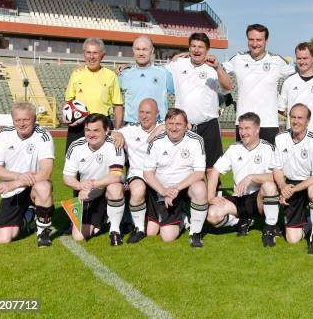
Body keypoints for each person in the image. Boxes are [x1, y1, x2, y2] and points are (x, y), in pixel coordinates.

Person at [206, 112, 281, 247]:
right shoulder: (234, 148)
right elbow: (215, 172)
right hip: (239, 200)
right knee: (212, 215)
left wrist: (251, 177)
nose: (243, 132)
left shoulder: (268, 149)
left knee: (269, 186)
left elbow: (276, 176)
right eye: (240, 128)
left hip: (258, 201)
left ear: (257, 129)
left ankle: (270, 228)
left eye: (247, 128)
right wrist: (211, 197)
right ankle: (240, 221)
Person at [0, 102, 54, 247]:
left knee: (43, 187)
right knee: (3, 239)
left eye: (26, 119)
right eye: (17, 120)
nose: (22, 124)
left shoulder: (43, 135)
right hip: (15, 190)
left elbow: (46, 172)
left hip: (34, 185)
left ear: (34, 118)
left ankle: (43, 233)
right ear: (13, 120)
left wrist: (15, 183)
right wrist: (20, 176)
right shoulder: (3, 135)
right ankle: (30, 216)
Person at [166, 32, 232, 176]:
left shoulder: (214, 68)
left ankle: (213, 197)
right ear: (189, 48)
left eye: (200, 47)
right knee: (183, 167)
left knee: (211, 168)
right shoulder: (177, 63)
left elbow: (228, 86)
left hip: (208, 124)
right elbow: (157, 74)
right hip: (184, 126)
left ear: (207, 50)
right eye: (193, 46)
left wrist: (218, 68)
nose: (196, 50)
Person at [143, 108, 208, 247]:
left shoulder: (196, 140)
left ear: (186, 126)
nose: (174, 128)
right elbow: (147, 173)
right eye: (170, 123)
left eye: (178, 124)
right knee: (152, 232)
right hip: (162, 189)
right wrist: (164, 191)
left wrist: (176, 188)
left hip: (184, 187)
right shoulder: (156, 141)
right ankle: (184, 218)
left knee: (200, 188)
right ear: (165, 125)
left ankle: (195, 233)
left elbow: (199, 173)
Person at [222, 24, 296, 145]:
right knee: (243, 163)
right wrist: (187, 57)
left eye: (259, 40)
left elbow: (300, 73)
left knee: (270, 163)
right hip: (244, 124)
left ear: (266, 40)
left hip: (268, 124)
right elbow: (217, 69)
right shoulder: (238, 59)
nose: (255, 44)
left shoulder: (276, 61)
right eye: (251, 39)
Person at [62, 114, 126, 245]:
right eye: (88, 130)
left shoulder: (114, 145)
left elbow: (116, 175)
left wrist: (91, 185)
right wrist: (80, 186)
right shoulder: (76, 146)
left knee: (115, 187)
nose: (91, 134)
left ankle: (115, 230)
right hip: (89, 194)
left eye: (96, 130)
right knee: (78, 236)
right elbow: (67, 177)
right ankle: (105, 217)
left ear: (106, 130)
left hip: (108, 188)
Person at [274, 104, 313, 254]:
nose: (296, 121)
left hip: (309, 183)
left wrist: (292, 190)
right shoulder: (280, 138)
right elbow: (276, 169)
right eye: (293, 117)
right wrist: (283, 186)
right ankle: (311, 220)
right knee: (292, 239)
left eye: (300, 118)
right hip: (290, 184)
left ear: (308, 121)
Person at [111, 98, 164, 244]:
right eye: (141, 112)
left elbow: (186, 126)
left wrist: (163, 127)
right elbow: (109, 133)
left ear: (157, 113)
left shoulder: (165, 128)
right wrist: (118, 134)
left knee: (153, 232)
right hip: (138, 174)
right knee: (138, 188)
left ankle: (181, 216)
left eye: (148, 112)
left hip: (159, 178)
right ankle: (139, 228)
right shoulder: (130, 130)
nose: (144, 116)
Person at [64, 38, 124, 152]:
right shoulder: (77, 73)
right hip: (78, 126)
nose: (91, 57)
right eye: (88, 52)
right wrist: (66, 116)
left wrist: (117, 129)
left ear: (102, 55)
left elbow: (118, 105)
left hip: (102, 125)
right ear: (84, 54)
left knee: (103, 164)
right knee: (73, 163)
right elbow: (68, 101)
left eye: (95, 53)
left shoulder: (111, 76)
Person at [278, 42, 313, 160]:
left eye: (305, 58)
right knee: (293, 179)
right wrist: (296, 119)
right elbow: (281, 109)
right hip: (294, 144)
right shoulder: (289, 82)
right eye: (299, 58)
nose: (302, 61)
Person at [118, 36, 174, 125]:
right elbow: (115, 99)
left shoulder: (164, 73)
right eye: (138, 49)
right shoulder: (124, 74)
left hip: (158, 125)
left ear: (152, 51)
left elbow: (180, 94)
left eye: (145, 49)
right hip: (132, 125)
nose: (141, 53)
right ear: (133, 50)